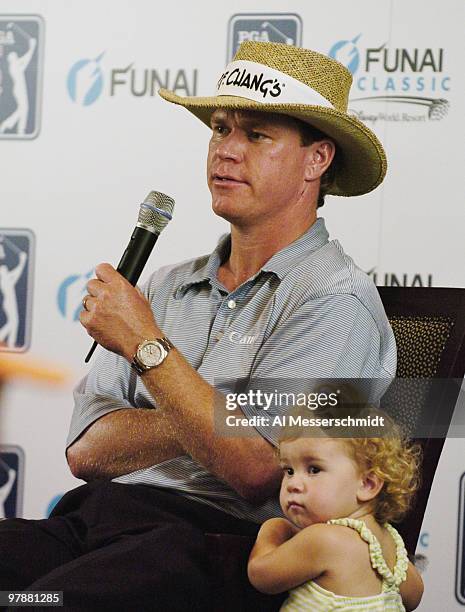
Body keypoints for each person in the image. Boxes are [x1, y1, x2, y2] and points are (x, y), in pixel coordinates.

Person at [0, 41, 396, 610]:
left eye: (256, 135)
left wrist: (146, 347)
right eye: (219, 128)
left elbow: (259, 467)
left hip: (218, 547)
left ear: (317, 160)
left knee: (37, 604)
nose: (226, 152)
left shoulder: (335, 300)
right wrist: (218, 413)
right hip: (95, 524)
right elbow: (87, 452)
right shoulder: (161, 285)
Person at [247, 406, 424, 610]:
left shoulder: (324, 538)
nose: (293, 483)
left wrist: (274, 528)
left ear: (367, 484)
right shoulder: (392, 544)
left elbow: (260, 575)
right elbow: (415, 594)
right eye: (289, 470)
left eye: (314, 469)